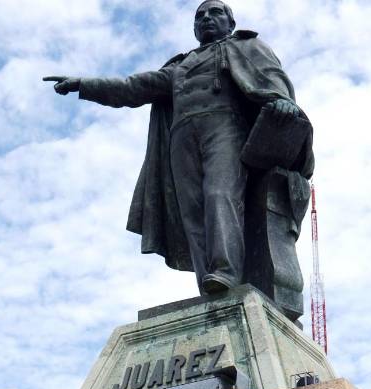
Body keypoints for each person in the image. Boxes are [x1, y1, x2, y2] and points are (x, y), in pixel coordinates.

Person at [45, 0, 315, 324]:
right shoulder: (178, 67)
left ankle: (225, 272)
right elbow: (132, 88)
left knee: (220, 195)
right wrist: (83, 85)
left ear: (230, 22)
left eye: (214, 13)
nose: (206, 19)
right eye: (199, 16)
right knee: (194, 214)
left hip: (226, 128)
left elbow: (273, 81)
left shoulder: (247, 46)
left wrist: (283, 103)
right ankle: (210, 285)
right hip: (181, 139)